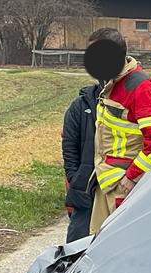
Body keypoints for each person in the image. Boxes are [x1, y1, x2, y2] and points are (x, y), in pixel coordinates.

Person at [84, 28, 151, 233]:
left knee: (120, 251)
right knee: (98, 248)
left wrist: (132, 176)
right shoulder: (112, 83)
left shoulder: (140, 86)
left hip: (124, 186)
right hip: (107, 182)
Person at [61, 82, 99, 242]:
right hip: (84, 189)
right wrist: (74, 176)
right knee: (77, 246)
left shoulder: (128, 102)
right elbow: (69, 144)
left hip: (117, 188)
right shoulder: (79, 106)